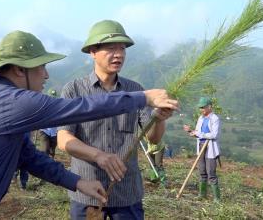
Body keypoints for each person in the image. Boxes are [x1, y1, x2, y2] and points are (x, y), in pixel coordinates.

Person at [0, 30, 178, 220]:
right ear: (19, 70)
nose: (47, 74)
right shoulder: (13, 102)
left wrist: (78, 183)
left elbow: (30, 158)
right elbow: (81, 108)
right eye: (41, 67)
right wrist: (143, 97)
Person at [57, 20, 176, 219]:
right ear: (92, 52)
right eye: (111, 48)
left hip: (126, 193)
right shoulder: (74, 90)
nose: (119, 54)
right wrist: (99, 156)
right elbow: (63, 139)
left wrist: (159, 119)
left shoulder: (135, 90)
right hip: (87, 192)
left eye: (122, 49)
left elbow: (153, 139)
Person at [183, 97, 221, 202]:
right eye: (200, 107)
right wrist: (190, 131)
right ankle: (202, 194)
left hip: (210, 147)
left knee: (211, 172)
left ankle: (217, 198)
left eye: (203, 107)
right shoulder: (201, 118)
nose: (201, 109)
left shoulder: (215, 119)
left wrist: (198, 133)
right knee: (202, 171)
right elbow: (197, 133)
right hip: (201, 146)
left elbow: (214, 135)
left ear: (209, 107)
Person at [38, 88, 58, 158]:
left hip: (54, 133)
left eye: (53, 97)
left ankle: (49, 166)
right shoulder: (42, 106)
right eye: (50, 97)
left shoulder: (58, 108)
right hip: (44, 131)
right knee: (45, 149)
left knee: (52, 151)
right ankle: (41, 166)